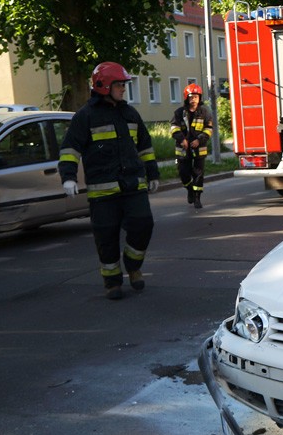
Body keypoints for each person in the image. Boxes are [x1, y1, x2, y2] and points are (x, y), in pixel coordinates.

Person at [59, 62, 160, 300]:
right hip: (102, 192)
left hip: (133, 186)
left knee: (143, 224)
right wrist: (68, 177)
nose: (124, 89)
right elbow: (70, 149)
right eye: (120, 84)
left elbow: (145, 146)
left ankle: (133, 265)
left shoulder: (130, 113)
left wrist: (153, 174)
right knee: (106, 237)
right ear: (104, 86)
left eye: (124, 84)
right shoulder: (85, 116)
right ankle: (112, 281)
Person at [170, 83, 214, 208]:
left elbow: (209, 129)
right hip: (183, 149)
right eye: (191, 97)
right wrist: (182, 139)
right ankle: (189, 189)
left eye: (196, 97)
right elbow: (174, 128)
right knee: (183, 173)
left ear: (199, 98)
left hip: (199, 148)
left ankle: (197, 198)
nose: (193, 99)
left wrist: (199, 140)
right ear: (186, 98)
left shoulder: (205, 112)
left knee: (198, 173)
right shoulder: (179, 113)